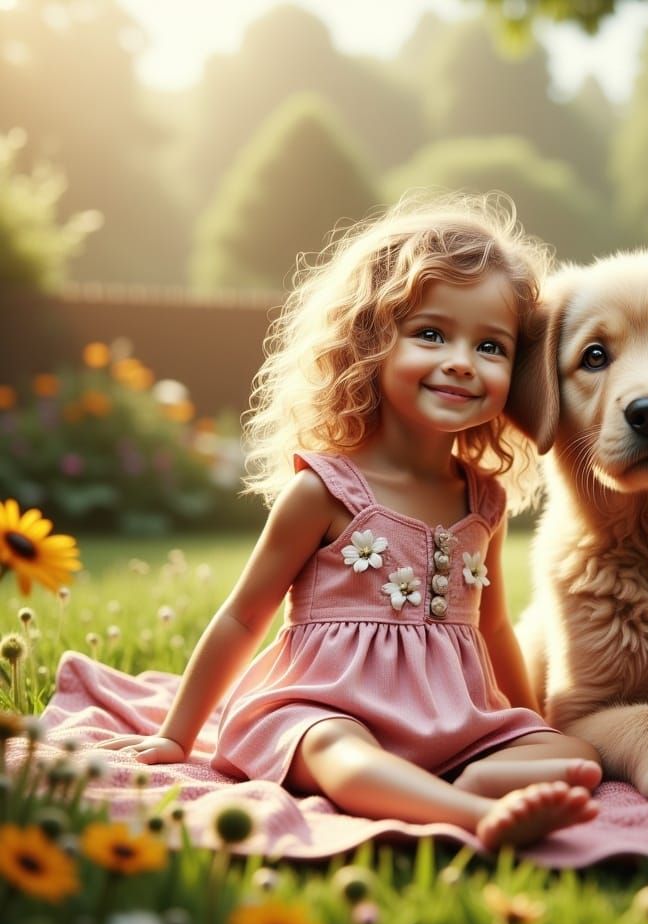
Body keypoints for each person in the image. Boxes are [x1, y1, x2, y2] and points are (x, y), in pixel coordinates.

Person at [100, 194, 601, 849]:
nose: (461, 361)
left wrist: (527, 724)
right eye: (431, 334)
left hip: (449, 715)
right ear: (370, 341)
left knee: (576, 760)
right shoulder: (326, 491)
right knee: (341, 753)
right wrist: (177, 733)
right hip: (324, 707)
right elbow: (242, 616)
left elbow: (496, 624)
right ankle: (471, 815)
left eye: (491, 346)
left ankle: (463, 783)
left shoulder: (484, 501)